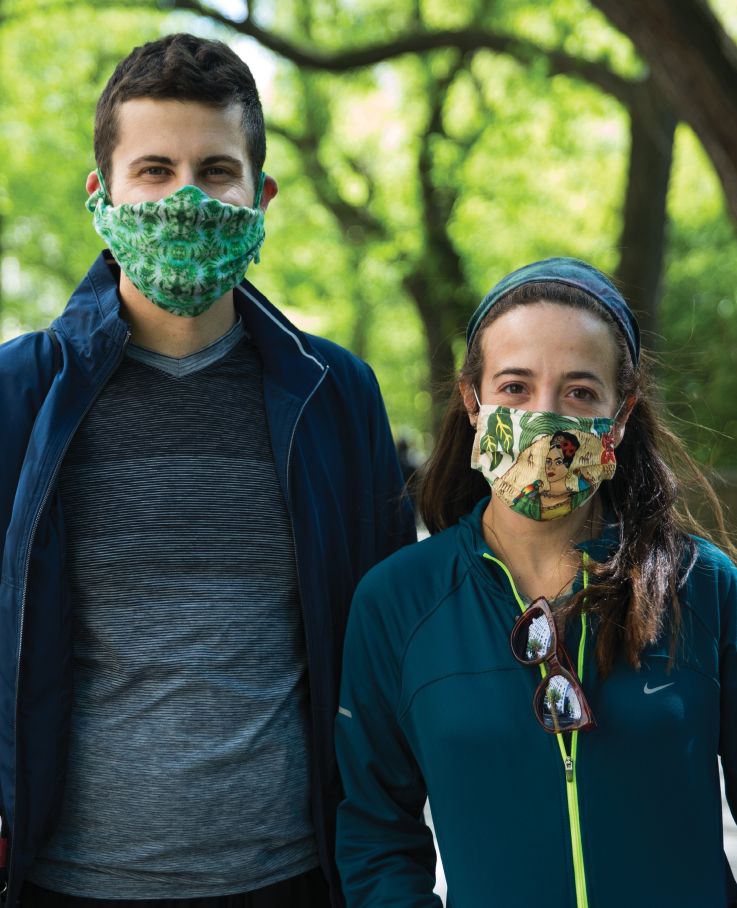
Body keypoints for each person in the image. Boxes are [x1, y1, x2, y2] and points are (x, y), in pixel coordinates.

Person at [0, 34, 415, 908]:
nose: (186, 199)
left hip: (292, 877)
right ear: (101, 196)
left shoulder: (336, 396)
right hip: (64, 880)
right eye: (153, 169)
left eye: (216, 171)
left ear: (261, 197)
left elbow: (386, 646)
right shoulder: (19, 394)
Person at [334, 257, 737, 907]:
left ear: (621, 414)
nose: (544, 420)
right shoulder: (396, 600)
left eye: (579, 392)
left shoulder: (706, 589)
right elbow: (376, 833)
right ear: (472, 401)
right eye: (515, 388)